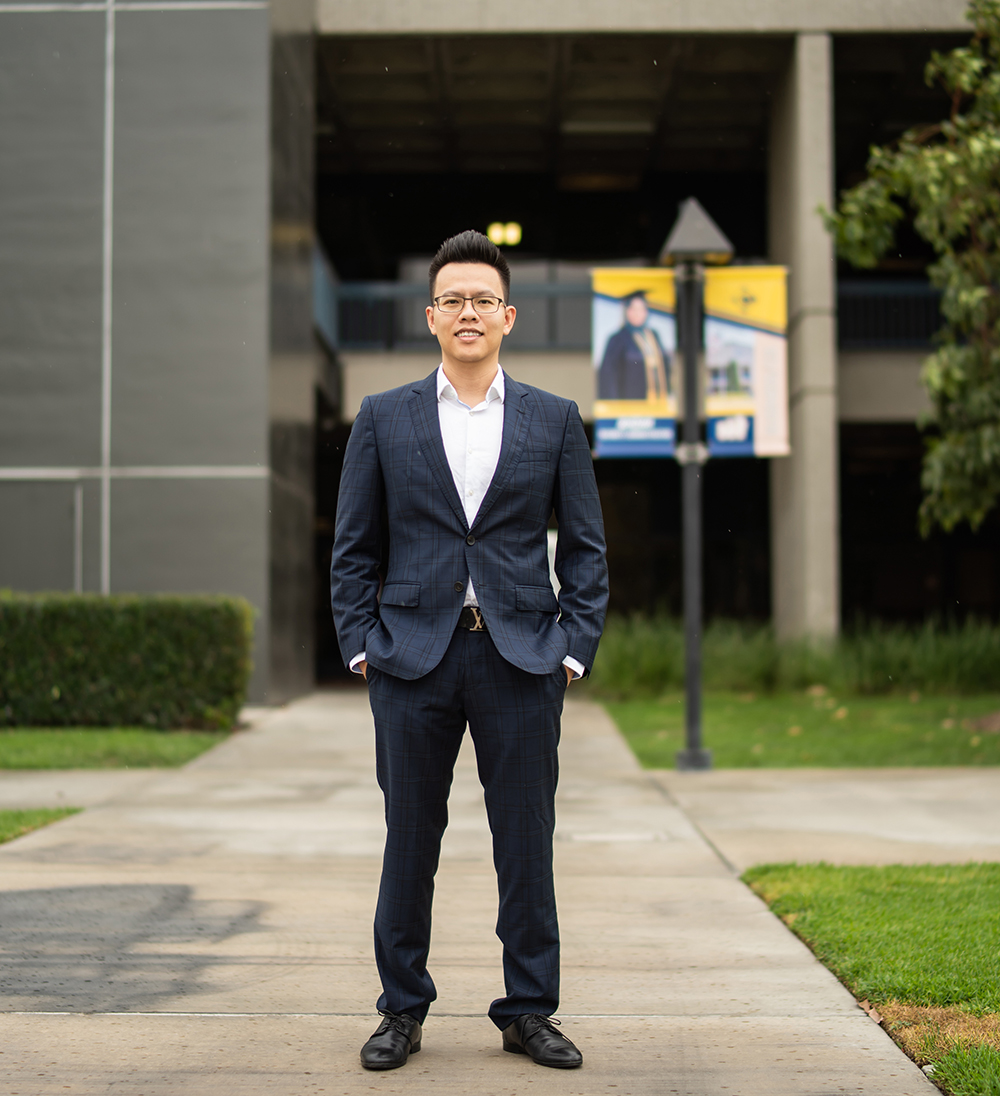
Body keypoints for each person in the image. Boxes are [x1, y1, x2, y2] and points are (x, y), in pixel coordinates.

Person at [331, 230, 608, 1072]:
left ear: (508, 315)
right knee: (408, 838)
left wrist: (571, 648)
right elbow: (353, 549)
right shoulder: (383, 417)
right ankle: (401, 1009)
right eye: (453, 298)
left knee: (524, 842)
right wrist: (361, 647)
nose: (468, 312)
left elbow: (587, 549)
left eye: (483, 299)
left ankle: (528, 1009)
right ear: (431, 315)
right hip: (411, 659)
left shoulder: (555, 420)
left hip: (522, 659)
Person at [597, 291, 672, 400]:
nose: (638, 313)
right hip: (630, 404)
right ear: (627, 311)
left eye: (641, 309)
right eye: (634, 309)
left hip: (658, 401)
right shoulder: (618, 339)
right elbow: (608, 376)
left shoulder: (654, 336)